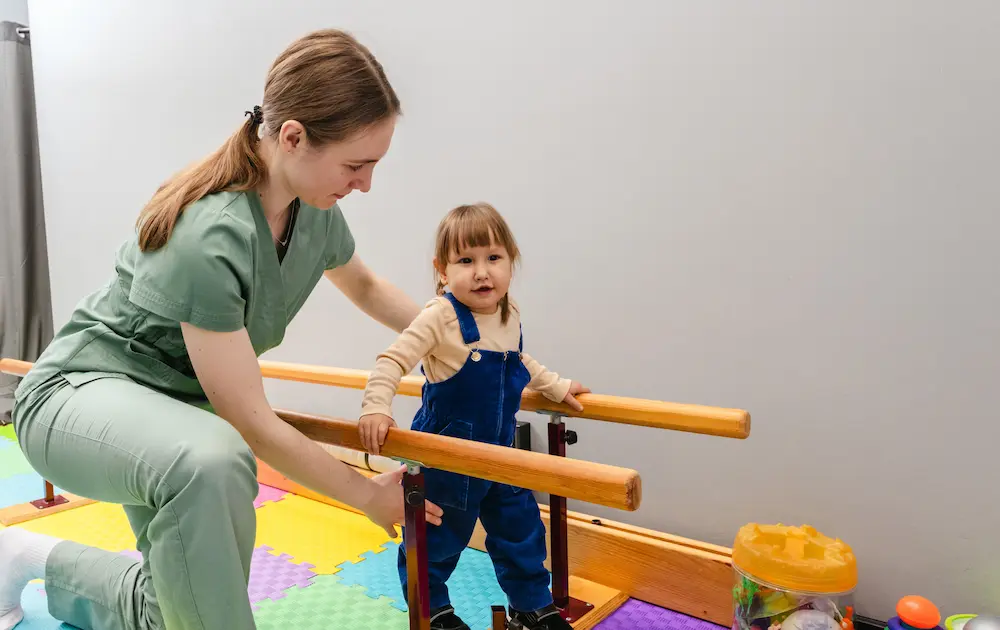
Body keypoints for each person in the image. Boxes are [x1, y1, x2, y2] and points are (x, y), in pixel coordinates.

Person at [0, 28, 443, 630]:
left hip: (171, 416)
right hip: (77, 397)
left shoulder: (312, 213)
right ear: (292, 137)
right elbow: (250, 421)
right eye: (356, 164)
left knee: (180, 611)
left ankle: (30, 557)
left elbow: (364, 286)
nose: (365, 183)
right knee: (214, 462)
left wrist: (460, 339)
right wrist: (366, 495)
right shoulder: (209, 233)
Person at [357, 202, 590, 630]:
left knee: (521, 532)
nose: (482, 272)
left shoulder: (508, 312)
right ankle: (433, 611)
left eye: (493, 258)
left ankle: (531, 606)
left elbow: (519, 360)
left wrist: (555, 385)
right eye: (466, 260)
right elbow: (392, 360)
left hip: (501, 453)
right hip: (447, 458)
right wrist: (376, 406)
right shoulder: (439, 317)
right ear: (442, 270)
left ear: (510, 263)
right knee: (437, 539)